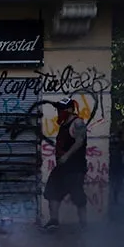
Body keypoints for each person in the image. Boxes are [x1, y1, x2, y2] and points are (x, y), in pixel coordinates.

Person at [42, 98, 88, 230]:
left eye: (62, 109)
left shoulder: (77, 122)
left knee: (78, 196)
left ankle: (84, 225)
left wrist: (66, 156)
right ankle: (54, 221)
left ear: (69, 109)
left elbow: (79, 141)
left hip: (75, 167)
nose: (59, 111)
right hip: (62, 167)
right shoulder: (64, 124)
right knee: (52, 192)